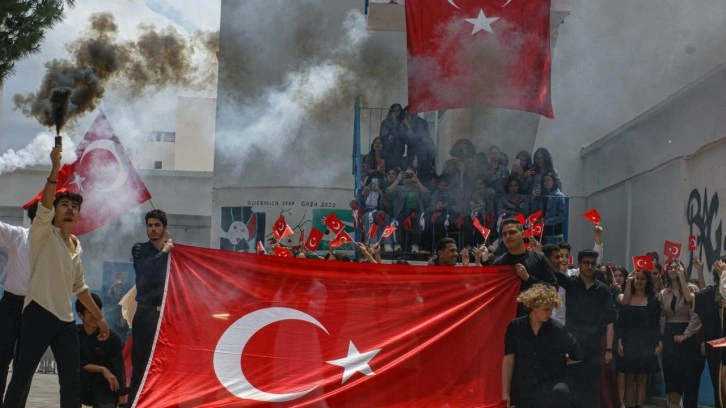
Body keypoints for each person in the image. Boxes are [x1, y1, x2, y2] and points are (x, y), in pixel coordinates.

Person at [4, 146, 109, 408]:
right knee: (22, 376)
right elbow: (46, 202)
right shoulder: (41, 234)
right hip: (38, 314)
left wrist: (99, 316)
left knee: (71, 382)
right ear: (54, 211)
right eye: (64, 205)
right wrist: (54, 168)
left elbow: (80, 287)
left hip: (65, 321)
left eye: (74, 206)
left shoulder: (76, 244)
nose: (70, 209)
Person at [502, 284, 582, 408]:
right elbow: (508, 360)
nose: (550, 313)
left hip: (550, 390)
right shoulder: (515, 327)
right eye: (546, 309)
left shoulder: (557, 329)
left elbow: (577, 355)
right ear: (534, 306)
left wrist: (559, 362)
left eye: (551, 309)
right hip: (523, 389)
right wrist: (505, 393)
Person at [554, 249, 616, 408]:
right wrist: (539, 253)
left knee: (592, 388)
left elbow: (610, 321)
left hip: (594, 346)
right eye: (586, 263)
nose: (589, 266)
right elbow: (549, 272)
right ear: (579, 264)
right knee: (571, 385)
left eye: (592, 264)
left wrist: (608, 350)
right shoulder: (570, 283)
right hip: (572, 344)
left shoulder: (603, 290)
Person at [128, 209, 174, 405]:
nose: (153, 229)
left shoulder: (174, 252)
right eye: (150, 225)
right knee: (142, 364)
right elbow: (146, 272)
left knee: (165, 364)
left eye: (157, 225)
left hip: (167, 318)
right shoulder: (139, 249)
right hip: (146, 316)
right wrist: (164, 252)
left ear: (165, 229)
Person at [0, 203, 36, 406]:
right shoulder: (18, 235)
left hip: (36, 308)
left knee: (25, 365)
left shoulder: (56, 243)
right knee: (1, 358)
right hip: (11, 304)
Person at [656, 259, 702, 408]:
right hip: (670, 336)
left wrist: (686, 334)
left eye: (677, 267)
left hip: (689, 337)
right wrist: (661, 339)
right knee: (672, 380)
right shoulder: (664, 292)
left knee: (689, 379)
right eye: (670, 267)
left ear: (683, 270)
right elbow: (662, 317)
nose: (673, 269)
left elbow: (696, 314)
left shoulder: (692, 289)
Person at [492, 218, 558, 316]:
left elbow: (553, 288)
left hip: (535, 319)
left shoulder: (539, 259)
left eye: (512, 232)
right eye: (504, 234)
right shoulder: (498, 263)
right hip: (508, 320)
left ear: (523, 234)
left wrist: (528, 278)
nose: (508, 236)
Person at [617, 269, 662, 408]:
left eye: (642, 279)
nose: (639, 281)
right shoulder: (626, 298)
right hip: (628, 342)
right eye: (636, 278)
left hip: (646, 344)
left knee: (642, 379)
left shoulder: (653, 301)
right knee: (629, 378)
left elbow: (656, 325)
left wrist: (659, 344)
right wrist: (619, 342)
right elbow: (621, 323)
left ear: (647, 281)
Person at [77, 293, 128, 408]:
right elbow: (74, 361)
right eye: (90, 312)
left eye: (97, 312)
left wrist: (122, 400)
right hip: (81, 384)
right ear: (80, 315)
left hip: (104, 386)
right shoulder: (74, 336)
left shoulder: (112, 339)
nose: (95, 316)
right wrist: (101, 369)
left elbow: (119, 368)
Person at [694, 258, 726, 407]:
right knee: (718, 385)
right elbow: (698, 298)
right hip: (717, 345)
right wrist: (699, 271)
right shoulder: (711, 292)